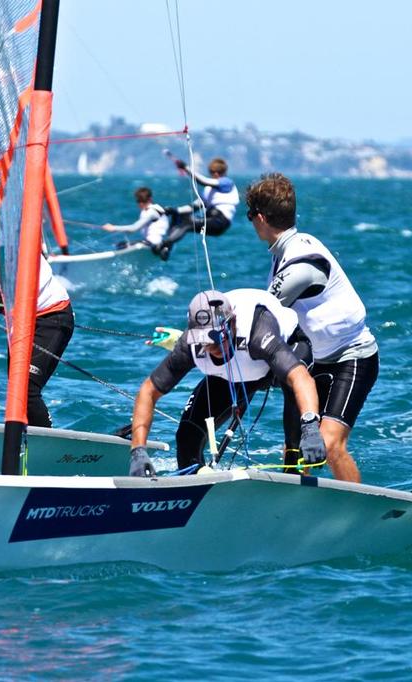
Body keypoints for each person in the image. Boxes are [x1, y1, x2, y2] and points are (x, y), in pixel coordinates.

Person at [246, 172, 378, 483]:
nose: (251, 221)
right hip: (318, 357)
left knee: (330, 444)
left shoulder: (300, 263)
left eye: (250, 215)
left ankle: (355, 513)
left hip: (353, 358)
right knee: (296, 447)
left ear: (261, 218)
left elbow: (265, 313)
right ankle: (299, 505)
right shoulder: (283, 252)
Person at [127, 288, 326, 477]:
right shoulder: (191, 344)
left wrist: (310, 426)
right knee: (187, 434)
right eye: (205, 341)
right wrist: (138, 451)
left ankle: (294, 468)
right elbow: (148, 391)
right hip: (239, 370)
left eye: (216, 339)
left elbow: (301, 378)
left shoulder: (258, 333)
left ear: (232, 324)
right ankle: (196, 488)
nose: (211, 348)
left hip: (285, 349)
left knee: (293, 391)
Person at [0, 256, 74, 428]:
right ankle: (26, 441)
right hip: (20, 325)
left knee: (26, 390)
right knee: (17, 395)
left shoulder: (13, 241)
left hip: (51, 316)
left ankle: (46, 441)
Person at [157, 157, 239, 259]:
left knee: (187, 225)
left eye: (216, 172)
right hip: (210, 218)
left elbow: (202, 181)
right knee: (179, 215)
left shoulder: (226, 182)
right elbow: (193, 207)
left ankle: (164, 244)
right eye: (212, 172)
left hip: (220, 221)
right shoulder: (208, 191)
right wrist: (172, 210)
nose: (215, 175)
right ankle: (166, 249)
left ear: (221, 173)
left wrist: (186, 168)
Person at [103, 186, 170, 258]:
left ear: (150, 199)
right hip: (157, 245)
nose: (141, 204)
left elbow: (134, 228)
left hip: (152, 245)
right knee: (122, 244)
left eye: (143, 201)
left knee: (119, 245)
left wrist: (113, 228)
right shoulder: (157, 209)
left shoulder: (150, 212)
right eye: (139, 201)